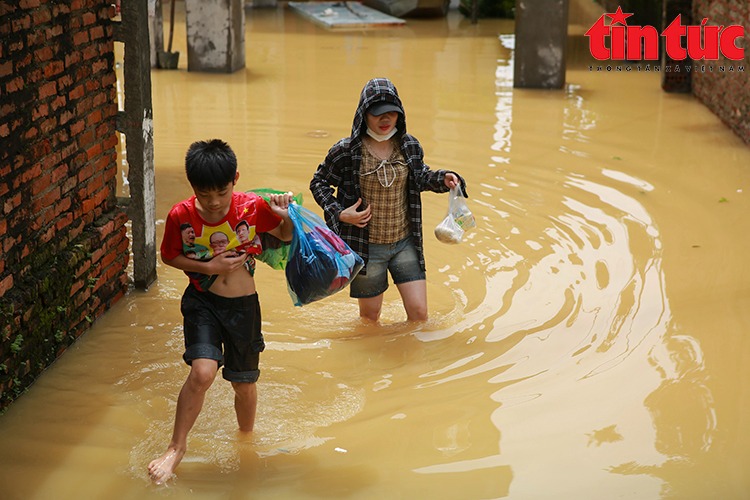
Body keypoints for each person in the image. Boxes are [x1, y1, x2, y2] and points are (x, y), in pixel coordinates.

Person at [148, 139, 295, 485]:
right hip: (202, 301)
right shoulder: (180, 216)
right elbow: (169, 256)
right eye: (204, 194)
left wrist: (284, 216)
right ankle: (175, 448)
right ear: (192, 188)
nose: (213, 203)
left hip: (244, 307)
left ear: (236, 180)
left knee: (244, 385)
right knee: (202, 373)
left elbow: (286, 237)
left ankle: (246, 440)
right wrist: (211, 267)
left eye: (221, 192)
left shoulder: (252, 208)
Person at [309, 77, 468, 323]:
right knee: (370, 318)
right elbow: (318, 182)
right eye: (378, 114)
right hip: (367, 247)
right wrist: (340, 213)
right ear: (364, 114)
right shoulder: (347, 151)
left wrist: (444, 178)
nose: (385, 120)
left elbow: (421, 176)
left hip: (405, 242)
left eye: (391, 114)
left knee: (419, 314)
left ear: (399, 115)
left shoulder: (409, 145)